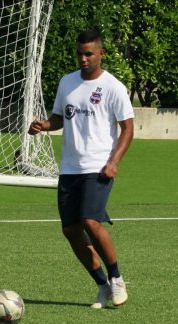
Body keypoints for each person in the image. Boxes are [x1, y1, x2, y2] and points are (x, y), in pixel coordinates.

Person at [29, 29, 134, 309]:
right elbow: (59, 118)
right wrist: (44, 125)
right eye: (79, 53)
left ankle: (117, 278)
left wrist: (113, 162)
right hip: (69, 168)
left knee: (90, 221)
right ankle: (101, 284)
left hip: (98, 166)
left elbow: (127, 129)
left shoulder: (113, 87)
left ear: (101, 54)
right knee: (71, 230)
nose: (83, 58)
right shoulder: (67, 83)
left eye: (89, 53)